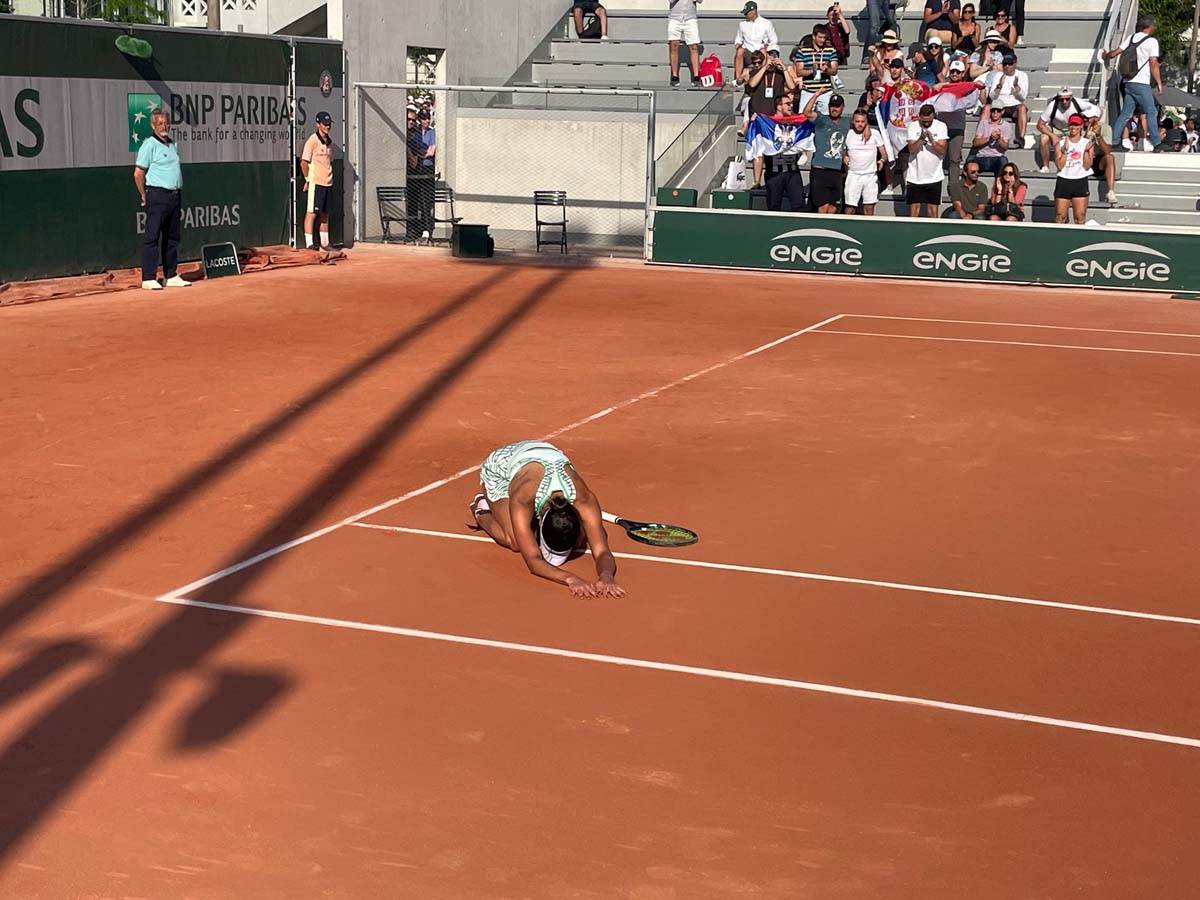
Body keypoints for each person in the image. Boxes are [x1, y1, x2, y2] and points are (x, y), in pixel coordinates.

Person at [470, 440, 625, 598]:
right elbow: (533, 561)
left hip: (542, 456)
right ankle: (482, 511)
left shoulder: (585, 500)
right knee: (515, 541)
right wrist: (571, 579)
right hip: (500, 467)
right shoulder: (523, 498)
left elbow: (602, 552)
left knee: (581, 537)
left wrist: (606, 576)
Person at [133, 109, 189, 291]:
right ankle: (148, 278)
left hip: (174, 196)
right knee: (152, 236)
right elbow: (138, 173)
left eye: (166, 123)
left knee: (172, 237)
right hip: (157, 195)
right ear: (153, 125)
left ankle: (170, 275)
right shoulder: (149, 145)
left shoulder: (173, 145)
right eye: (160, 123)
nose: (164, 126)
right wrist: (144, 194)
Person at [1104, 15, 1163, 152]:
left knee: (1125, 113)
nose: (1154, 29)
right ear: (1149, 27)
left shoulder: (1131, 38)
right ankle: (1157, 143)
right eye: (1154, 26)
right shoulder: (1152, 41)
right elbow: (1153, 63)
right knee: (1151, 111)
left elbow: (1114, 53)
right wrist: (1159, 82)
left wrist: (1105, 55)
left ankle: (1115, 142)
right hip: (1141, 83)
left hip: (1128, 82)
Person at [745, 50, 795, 185]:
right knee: (758, 151)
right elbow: (752, 84)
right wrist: (764, 68)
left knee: (774, 150)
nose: (772, 61)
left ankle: (774, 179)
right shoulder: (756, 71)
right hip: (759, 118)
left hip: (774, 119)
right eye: (769, 58)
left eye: (774, 58)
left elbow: (792, 86)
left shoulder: (780, 73)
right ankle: (756, 181)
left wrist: (783, 68)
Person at [803, 88, 850, 213]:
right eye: (832, 106)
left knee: (833, 208)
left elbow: (862, 122)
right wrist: (816, 95)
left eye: (837, 106)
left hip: (837, 171)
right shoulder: (821, 119)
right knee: (823, 207)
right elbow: (807, 112)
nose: (834, 109)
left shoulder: (847, 122)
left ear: (843, 107)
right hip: (820, 170)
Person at [762, 93, 808, 211]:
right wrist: (754, 121)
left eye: (791, 104)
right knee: (773, 206)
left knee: (799, 206)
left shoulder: (796, 122)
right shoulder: (767, 123)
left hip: (792, 171)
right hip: (774, 172)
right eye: (787, 104)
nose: (791, 106)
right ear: (778, 106)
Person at [976, 51, 1028, 148]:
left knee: (1022, 108)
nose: (1007, 66)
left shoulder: (1022, 75)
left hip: (1014, 105)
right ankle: (980, 136)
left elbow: (1023, 97)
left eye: (1010, 64)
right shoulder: (998, 75)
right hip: (999, 104)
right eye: (1005, 64)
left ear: (1015, 64)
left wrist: (1017, 88)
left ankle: (1021, 137)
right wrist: (999, 86)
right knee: (987, 108)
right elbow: (992, 97)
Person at [300, 111, 335, 252]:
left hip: (328, 183)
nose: (327, 127)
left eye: (329, 124)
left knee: (325, 214)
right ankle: (309, 245)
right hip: (316, 183)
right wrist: (308, 179)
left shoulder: (329, 142)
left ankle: (325, 244)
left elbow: (329, 162)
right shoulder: (312, 141)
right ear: (318, 124)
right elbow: (303, 162)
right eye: (325, 124)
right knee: (311, 213)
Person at [905, 103, 947, 217]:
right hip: (915, 176)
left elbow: (942, 151)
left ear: (933, 116)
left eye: (929, 121)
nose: (926, 123)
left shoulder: (941, 126)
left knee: (932, 211)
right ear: (919, 116)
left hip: (934, 176)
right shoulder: (913, 126)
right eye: (924, 121)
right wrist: (921, 139)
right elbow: (912, 149)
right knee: (914, 210)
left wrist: (932, 141)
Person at [842, 107, 886, 214]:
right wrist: (844, 156)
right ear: (853, 121)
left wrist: (882, 160)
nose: (860, 124)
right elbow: (841, 150)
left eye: (862, 121)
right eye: (857, 121)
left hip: (870, 175)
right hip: (853, 175)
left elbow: (884, 153)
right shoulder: (848, 134)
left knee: (869, 208)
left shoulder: (875, 133)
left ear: (866, 121)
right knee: (850, 208)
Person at [1053, 113, 1093, 224]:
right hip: (1064, 180)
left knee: (1080, 217)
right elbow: (1059, 165)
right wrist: (1065, 151)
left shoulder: (1087, 143)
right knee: (1060, 216)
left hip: (1080, 180)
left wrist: (1086, 151)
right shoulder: (1060, 143)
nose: (1073, 127)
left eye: (1076, 125)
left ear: (1081, 126)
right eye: (1071, 124)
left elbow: (1087, 165)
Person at [935, 58, 971, 181]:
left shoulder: (966, 87)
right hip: (942, 127)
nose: (955, 74)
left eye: (958, 72)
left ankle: (953, 186)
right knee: (939, 157)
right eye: (952, 71)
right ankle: (937, 184)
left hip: (957, 127)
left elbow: (971, 101)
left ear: (963, 73)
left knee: (954, 159)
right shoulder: (943, 86)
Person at [792, 23, 839, 115]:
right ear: (813, 36)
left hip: (825, 91)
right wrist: (812, 70)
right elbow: (799, 72)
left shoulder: (831, 50)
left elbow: (834, 71)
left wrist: (826, 70)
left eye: (824, 38)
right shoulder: (802, 51)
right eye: (820, 37)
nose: (823, 40)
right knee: (804, 117)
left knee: (825, 119)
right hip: (808, 91)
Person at [1035, 87, 1086, 172]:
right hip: (1055, 128)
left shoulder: (1078, 103)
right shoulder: (1053, 105)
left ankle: (1080, 165)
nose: (1064, 101)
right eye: (1061, 99)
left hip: (1072, 128)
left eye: (1067, 99)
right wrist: (1053, 136)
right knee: (1044, 138)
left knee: (1084, 136)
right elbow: (1039, 124)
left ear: (1071, 98)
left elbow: (1095, 110)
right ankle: (1045, 166)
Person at [734, 1, 779, 83]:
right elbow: (738, 38)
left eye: (747, 13)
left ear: (753, 11)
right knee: (740, 51)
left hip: (761, 51)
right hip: (748, 52)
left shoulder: (766, 23)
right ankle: (738, 79)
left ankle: (762, 77)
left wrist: (768, 48)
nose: (745, 15)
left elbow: (774, 40)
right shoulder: (742, 24)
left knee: (763, 50)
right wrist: (737, 44)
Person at [969, 103, 1013, 173]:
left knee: (1003, 160)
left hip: (997, 157)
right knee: (970, 161)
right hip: (981, 157)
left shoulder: (1007, 126)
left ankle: (999, 179)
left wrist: (999, 139)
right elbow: (975, 143)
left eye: (998, 110)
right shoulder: (983, 123)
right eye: (993, 110)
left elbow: (1005, 146)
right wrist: (989, 139)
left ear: (1002, 111)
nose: (995, 112)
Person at [668, 0, 703, 86]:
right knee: (674, 46)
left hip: (690, 18)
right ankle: (674, 76)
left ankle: (696, 76)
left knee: (694, 46)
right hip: (675, 18)